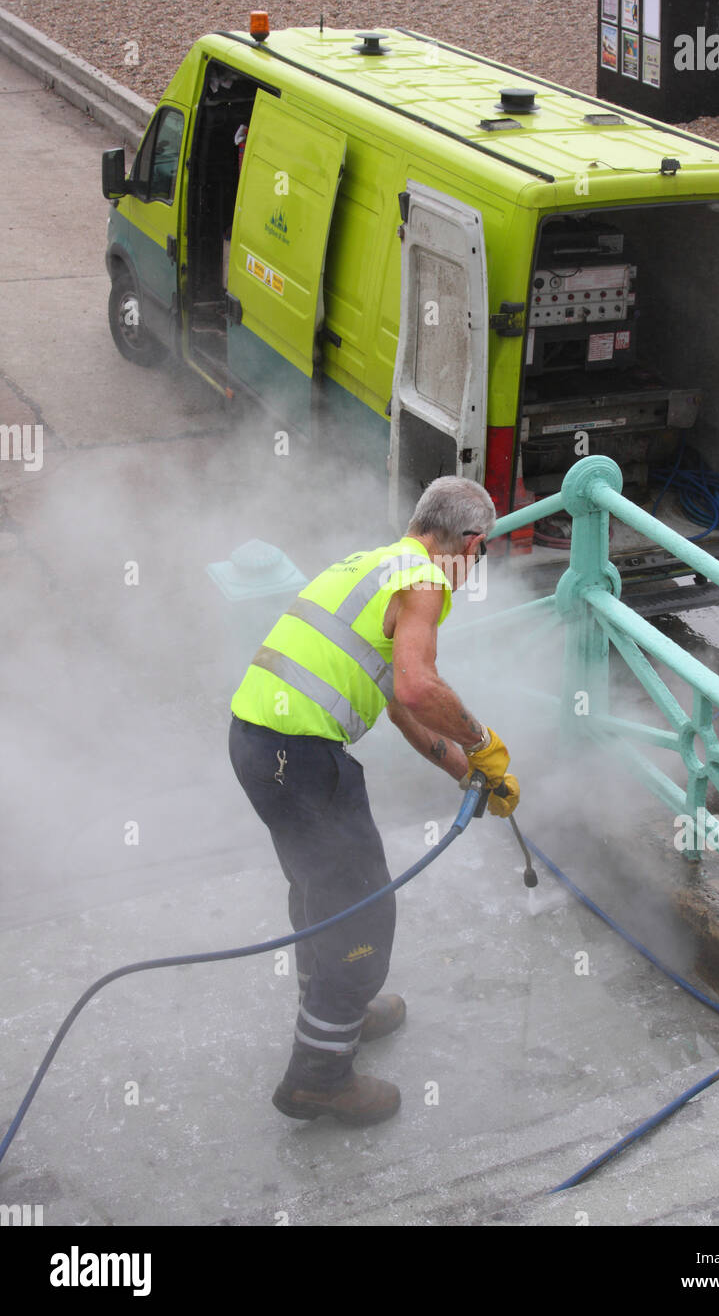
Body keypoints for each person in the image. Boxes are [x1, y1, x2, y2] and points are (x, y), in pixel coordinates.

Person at [228, 476, 520, 1125]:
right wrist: (484, 741)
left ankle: (335, 1015)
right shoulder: (426, 582)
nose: (476, 568)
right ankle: (319, 1077)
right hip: (299, 755)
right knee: (362, 911)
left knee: (319, 888)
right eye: (483, 553)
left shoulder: (372, 564)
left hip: (257, 744)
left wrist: (462, 769)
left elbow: (393, 696)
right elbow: (419, 687)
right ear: (468, 544)